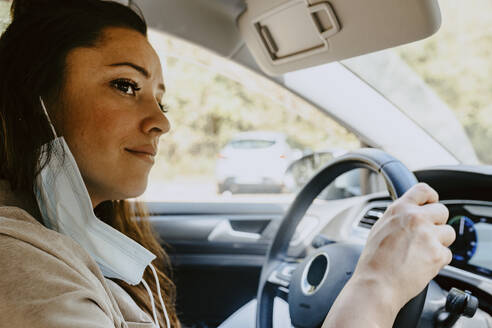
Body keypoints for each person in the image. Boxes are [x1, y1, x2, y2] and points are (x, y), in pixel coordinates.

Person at [0, 0, 455, 328]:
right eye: (124, 85)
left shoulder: (71, 239)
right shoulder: (23, 268)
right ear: (31, 99)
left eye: (160, 98)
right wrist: (376, 287)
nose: (161, 121)